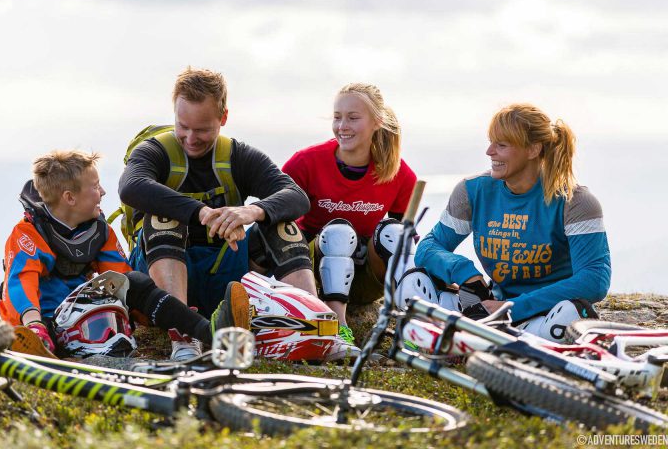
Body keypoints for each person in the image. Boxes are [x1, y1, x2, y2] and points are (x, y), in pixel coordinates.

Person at [119, 67, 322, 361]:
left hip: (224, 271)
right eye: (182, 126)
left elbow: (296, 197)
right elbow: (131, 187)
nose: (190, 138)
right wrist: (202, 212)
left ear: (223, 118)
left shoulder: (238, 156)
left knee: (281, 225)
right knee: (162, 217)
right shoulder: (155, 151)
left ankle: (314, 327)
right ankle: (184, 336)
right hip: (160, 278)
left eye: (202, 129)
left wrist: (251, 211)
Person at [0, 150, 250, 358]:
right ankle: (38, 344)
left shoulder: (100, 230)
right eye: (95, 187)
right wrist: (34, 323)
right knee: (34, 314)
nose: (104, 192)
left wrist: (148, 312)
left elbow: (120, 277)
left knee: (137, 282)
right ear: (69, 198)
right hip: (46, 321)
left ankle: (213, 332)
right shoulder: (27, 233)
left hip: (88, 315)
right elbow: (20, 281)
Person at [409, 103, 611, 341]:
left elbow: (594, 279)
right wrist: (464, 272)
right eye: (491, 142)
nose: (489, 152)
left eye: (501, 145)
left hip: (542, 314)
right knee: (415, 282)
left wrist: (513, 307)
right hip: (492, 307)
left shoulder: (575, 202)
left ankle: (473, 342)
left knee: (569, 314)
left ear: (533, 150)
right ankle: (467, 340)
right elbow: (428, 247)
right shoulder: (473, 191)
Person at [282, 83, 417, 351]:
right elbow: (275, 223)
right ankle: (338, 327)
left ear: (377, 121)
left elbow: (404, 244)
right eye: (337, 117)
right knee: (338, 233)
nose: (342, 125)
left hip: (364, 281)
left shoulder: (400, 174)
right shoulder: (305, 163)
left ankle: (408, 329)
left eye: (353, 118)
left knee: (396, 233)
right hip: (312, 275)